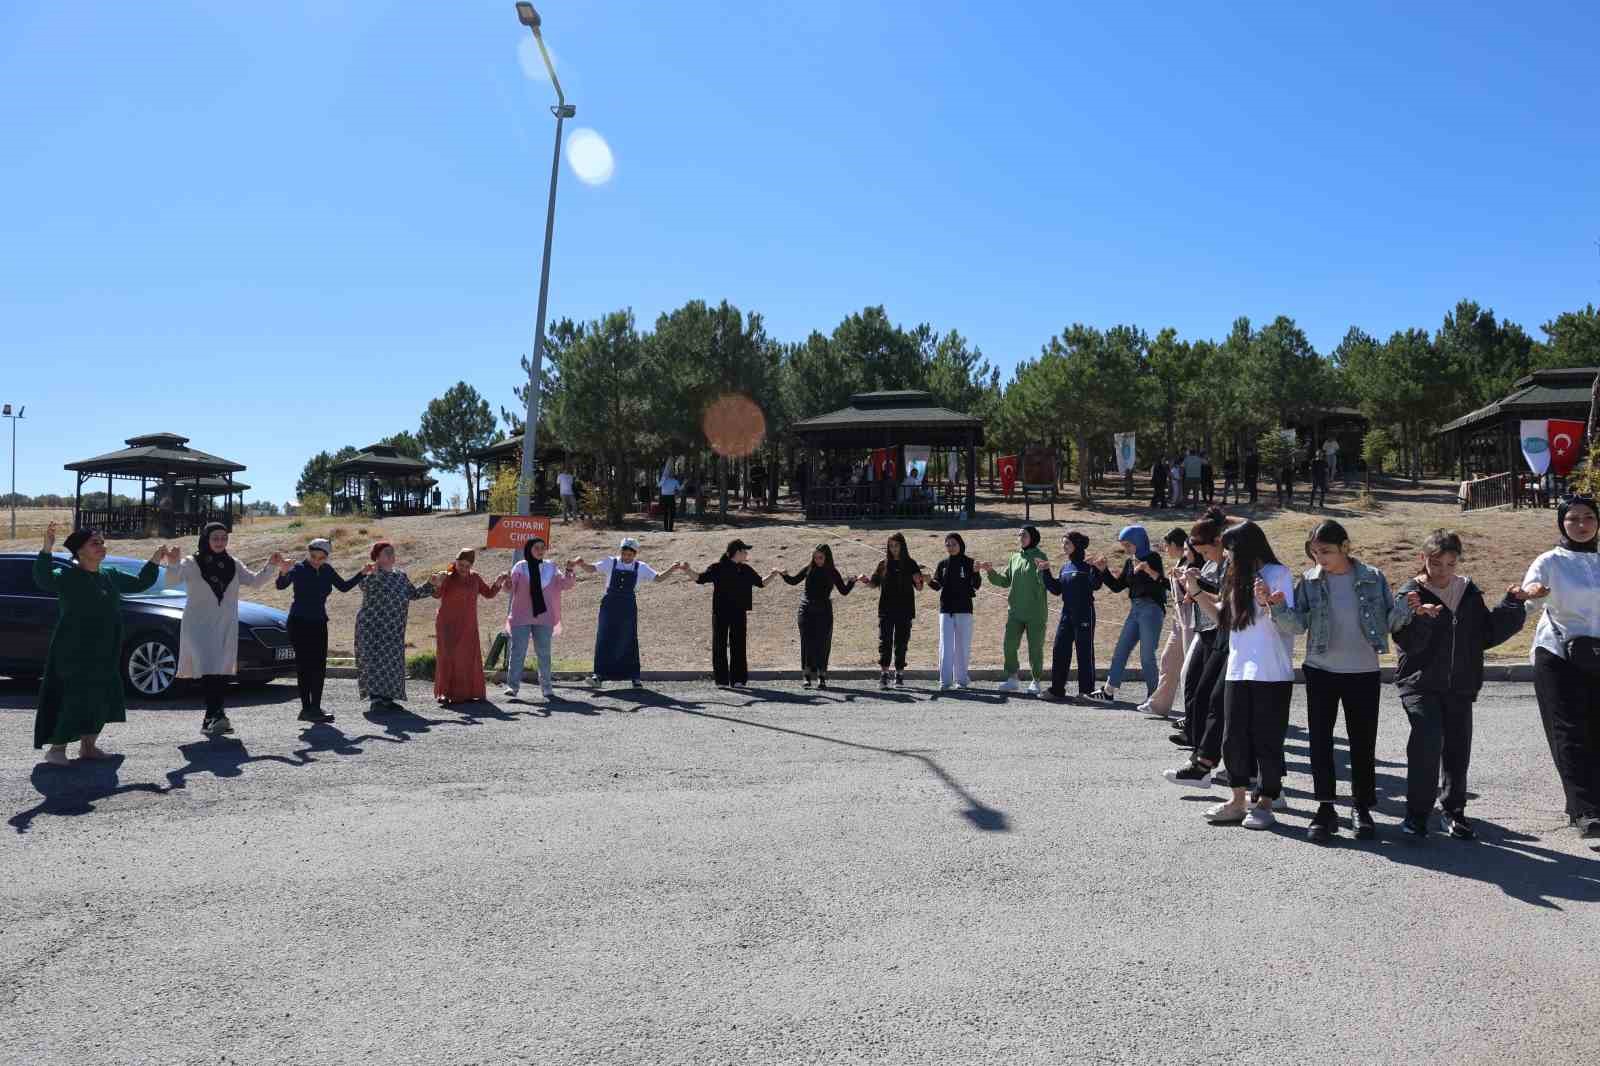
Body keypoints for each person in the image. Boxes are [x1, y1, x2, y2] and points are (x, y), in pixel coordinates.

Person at [1388, 530, 1531, 838]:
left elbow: (1486, 633)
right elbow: (1406, 642)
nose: (1443, 571)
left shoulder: (1467, 591)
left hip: (1461, 685)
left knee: (1457, 749)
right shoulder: (1410, 594)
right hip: (1420, 683)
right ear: (1422, 558)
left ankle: (1454, 812)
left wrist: (1512, 604)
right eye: (1436, 563)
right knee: (1427, 742)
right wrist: (1421, 618)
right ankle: (1417, 814)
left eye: (1450, 564)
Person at [1265, 521, 1393, 842]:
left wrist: (1410, 609)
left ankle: (1361, 807)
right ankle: (1325, 808)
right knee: (1320, 741)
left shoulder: (1373, 577)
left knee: (1362, 742)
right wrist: (1276, 606)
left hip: (1363, 671)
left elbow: (1391, 618)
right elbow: (1297, 625)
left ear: (1345, 547)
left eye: (1326, 551)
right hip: (1320, 670)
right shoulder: (1308, 581)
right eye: (1315, 552)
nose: (1319, 558)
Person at [32, 524, 167, 766]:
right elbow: (43, 579)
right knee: (74, 697)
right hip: (73, 649)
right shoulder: (68, 576)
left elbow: (139, 583)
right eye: (95, 543)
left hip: (105, 647)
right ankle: (57, 749)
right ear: (80, 550)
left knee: (101, 696)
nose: (101, 546)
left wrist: (156, 559)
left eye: (102, 542)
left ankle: (89, 746)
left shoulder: (109, 575)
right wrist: (46, 549)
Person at [1201, 521, 1295, 829]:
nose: (1226, 555)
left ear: (1246, 548)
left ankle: (1266, 802)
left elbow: (1289, 623)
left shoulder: (1278, 573)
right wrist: (1196, 592)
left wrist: (1269, 602)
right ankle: (1237, 800)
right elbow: (1225, 620)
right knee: (1234, 737)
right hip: (1238, 668)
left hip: (1271, 670)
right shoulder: (1234, 576)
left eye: (1230, 549)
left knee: (1267, 738)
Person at [1521, 496, 1600, 837]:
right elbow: (1529, 598)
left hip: (1596, 655)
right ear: (1561, 523)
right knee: (1569, 732)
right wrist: (1529, 593)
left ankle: (1588, 803)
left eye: (1589, 517)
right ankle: (1586, 811)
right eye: (1573, 518)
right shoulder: (1550, 561)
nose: (1582, 524)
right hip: (1557, 655)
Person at [161, 522, 285, 736]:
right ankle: (215, 715)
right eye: (215, 538)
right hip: (198, 624)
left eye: (224, 538)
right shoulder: (191, 562)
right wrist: (172, 563)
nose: (220, 542)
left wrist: (271, 565)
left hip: (225, 624)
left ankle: (213, 717)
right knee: (209, 669)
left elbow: (255, 582)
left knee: (222, 670)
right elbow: (171, 581)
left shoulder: (233, 563)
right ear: (206, 539)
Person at [275, 537, 370, 724]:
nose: (317, 561)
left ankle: (315, 708)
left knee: (319, 667)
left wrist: (362, 573)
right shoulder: (298, 568)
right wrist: (282, 572)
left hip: (319, 622)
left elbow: (343, 587)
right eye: (313, 556)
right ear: (308, 553)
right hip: (299, 622)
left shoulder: (327, 570)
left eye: (321, 558)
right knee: (304, 666)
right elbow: (281, 585)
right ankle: (306, 709)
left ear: (326, 557)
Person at [576, 538, 687, 688]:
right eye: (624, 553)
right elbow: (592, 569)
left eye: (630, 554)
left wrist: (672, 568)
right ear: (620, 551)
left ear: (635, 554)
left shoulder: (641, 567)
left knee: (629, 638)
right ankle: (599, 676)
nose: (626, 557)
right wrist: (582, 563)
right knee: (604, 638)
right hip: (609, 605)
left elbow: (658, 578)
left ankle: (634, 677)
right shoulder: (611, 562)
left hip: (628, 606)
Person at [355, 541, 439, 714]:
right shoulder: (371, 574)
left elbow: (413, 594)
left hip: (394, 629)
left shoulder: (400, 576)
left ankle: (388, 699)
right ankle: (376, 700)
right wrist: (373, 573)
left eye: (392, 552)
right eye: (387, 552)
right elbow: (363, 585)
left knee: (391, 663)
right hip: (372, 628)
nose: (391, 555)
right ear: (377, 557)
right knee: (374, 662)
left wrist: (430, 584)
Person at [1088, 526, 1166, 703]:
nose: (1126, 548)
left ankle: (1155, 697)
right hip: (1135, 609)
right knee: (1121, 650)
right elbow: (1117, 586)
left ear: (1139, 542)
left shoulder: (1153, 558)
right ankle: (1108, 691)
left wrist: (1144, 569)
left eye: (1128, 544)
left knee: (1146, 655)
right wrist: (1103, 570)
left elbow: (1157, 585)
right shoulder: (1130, 562)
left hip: (1152, 609)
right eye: (1124, 545)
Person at [688, 539, 776, 688]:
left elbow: (761, 583)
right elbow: (700, 578)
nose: (746, 553)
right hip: (720, 612)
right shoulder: (718, 567)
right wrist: (687, 570)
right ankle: (721, 680)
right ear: (736, 552)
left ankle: (738, 680)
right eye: (744, 551)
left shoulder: (745, 569)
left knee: (739, 645)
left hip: (739, 612)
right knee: (719, 645)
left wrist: (773, 574)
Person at [503, 536, 577, 701]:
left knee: (544, 653)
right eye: (536, 547)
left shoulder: (551, 566)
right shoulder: (520, 566)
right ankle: (512, 687)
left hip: (544, 617)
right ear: (529, 549)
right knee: (518, 652)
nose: (540, 550)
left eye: (542, 547)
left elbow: (565, 584)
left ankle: (547, 688)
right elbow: (509, 589)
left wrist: (569, 570)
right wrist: (507, 581)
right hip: (521, 616)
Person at [431, 549, 506, 706]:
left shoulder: (475, 577)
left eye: (467, 565)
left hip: (468, 625)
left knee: (466, 658)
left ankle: (468, 693)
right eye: (460, 564)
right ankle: (445, 693)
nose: (463, 568)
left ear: (471, 565)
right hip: (447, 624)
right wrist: (437, 584)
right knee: (448, 657)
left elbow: (489, 593)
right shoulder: (447, 576)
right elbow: (437, 595)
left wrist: (498, 583)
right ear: (455, 562)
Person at [981, 526, 1050, 694]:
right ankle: (1012, 678)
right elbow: (1005, 581)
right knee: (1009, 645)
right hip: (1015, 612)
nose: (1020, 537)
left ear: (1033, 537)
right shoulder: (1015, 557)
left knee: (1035, 648)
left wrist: (1042, 571)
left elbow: (1045, 582)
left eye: (1024, 535)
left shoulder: (1040, 556)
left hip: (1036, 613)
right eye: (1019, 535)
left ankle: (1036, 681)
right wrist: (990, 571)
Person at [779, 544, 856, 689]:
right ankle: (806, 676)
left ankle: (822, 677)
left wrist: (852, 581)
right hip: (806, 610)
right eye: (815, 557)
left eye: (820, 557)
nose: (817, 560)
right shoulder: (809, 568)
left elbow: (844, 591)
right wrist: (784, 575)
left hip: (824, 611)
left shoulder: (832, 571)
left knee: (823, 643)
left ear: (827, 557)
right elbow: (794, 581)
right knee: (807, 643)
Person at [1139, 528, 1197, 717]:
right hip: (1178, 620)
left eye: (1166, 545)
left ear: (1174, 544)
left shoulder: (1193, 563)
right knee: (1168, 660)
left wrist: (1181, 579)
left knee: (1190, 666)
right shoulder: (1180, 563)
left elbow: (1197, 588)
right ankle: (1159, 705)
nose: (1165, 549)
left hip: (1191, 620)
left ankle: (1193, 711)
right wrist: (1153, 574)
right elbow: (1168, 586)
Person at [1040, 530, 1102, 700]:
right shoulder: (1065, 568)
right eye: (1063, 543)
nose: (1064, 546)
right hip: (1066, 614)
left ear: (1077, 545)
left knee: (1084, 653)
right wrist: (1045, 572)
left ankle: (1086, 692)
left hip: (1084, 613)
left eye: (1067, 543)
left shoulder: (1088, 566)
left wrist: (1096, 570)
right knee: (1059, 650)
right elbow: (1056, 589)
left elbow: (1096, 585)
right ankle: (1057, 690)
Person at [858, 533, 924, 689]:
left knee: (901, 643)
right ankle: (884, 674)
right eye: (891, 546)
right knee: (885, 642)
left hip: (905, 610)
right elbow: (874, 584)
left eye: (896, 545)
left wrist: (918, 581)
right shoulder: (883, 564)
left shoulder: (910, 563)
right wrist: (865, 580)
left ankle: (899, 674)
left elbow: (920, 588)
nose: (893, 549)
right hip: (886, 610)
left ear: (902, 546)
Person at [929, 533, 982, 690]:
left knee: (962, 646)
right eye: (948, 544)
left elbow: (976, 585)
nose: (951, 547)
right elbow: (937, 586)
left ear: (960, 544)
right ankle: (945, 681)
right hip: (946, 610)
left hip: (964, 609)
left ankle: (961, 680)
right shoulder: (942, 564)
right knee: (945, 646)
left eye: (953, 544)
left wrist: (976, 571)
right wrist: (928, 581)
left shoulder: (970, 562)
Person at [659, 463, 681, 533]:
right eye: (670, 473)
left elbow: (679, 488)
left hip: (671, 497)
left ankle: (670, 529)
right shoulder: (664, 479)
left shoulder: (675, 481)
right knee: (665, 513)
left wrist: (684, 484)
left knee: (672, 513)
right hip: (664, 497)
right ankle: (665, 528)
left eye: (672, 473)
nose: (671, 474)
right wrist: (663, 478)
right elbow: (659, 485)